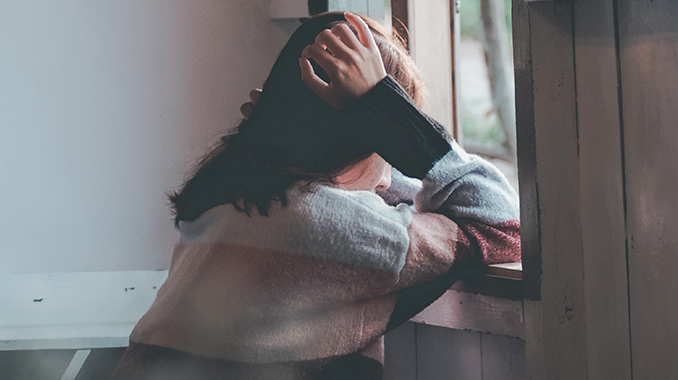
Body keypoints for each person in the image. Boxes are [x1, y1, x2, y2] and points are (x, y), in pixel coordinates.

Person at [111, 11, 520, 380]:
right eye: (388, 149)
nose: (390, 175)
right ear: (365, 140)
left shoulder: (226, 197)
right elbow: (503, 224)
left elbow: (377, 190)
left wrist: (278, 131)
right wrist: (393, 116)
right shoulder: (336, 227)